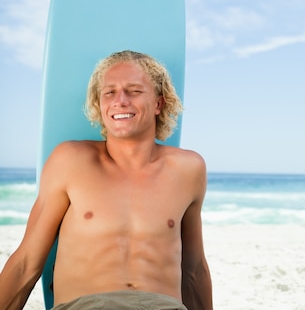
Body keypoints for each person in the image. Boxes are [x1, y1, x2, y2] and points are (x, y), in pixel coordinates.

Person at [0, 50, 212, 310]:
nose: (120, 100)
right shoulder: (70, 160)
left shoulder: (188, 169)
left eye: (134, 91)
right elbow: (26, 262)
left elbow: (194, 270)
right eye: (109, 92)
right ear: (99, 105)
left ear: (158, 103)